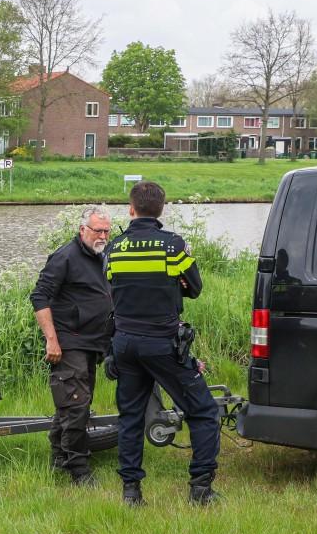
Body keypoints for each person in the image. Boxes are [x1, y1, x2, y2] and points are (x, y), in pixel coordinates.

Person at [106, 181, 221, 506]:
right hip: (162, 343)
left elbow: (113, 285)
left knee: (130, 416)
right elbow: (194, 288)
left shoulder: (115, 247)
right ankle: (201, 490)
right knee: (203, 411)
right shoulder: (172, 246)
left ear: (131, 209)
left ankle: (131, 493)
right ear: (161, 209)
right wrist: (171, 285)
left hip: (125, 344)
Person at [29, 206, 115, 485]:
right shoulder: (65, 256)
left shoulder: (105, 255)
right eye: (97, 230)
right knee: (77, 405)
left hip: (94, 342)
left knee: (72, 403)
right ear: (82, 230)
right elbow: (39, 296)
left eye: (106, 230)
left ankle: (58, 457)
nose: (102, 236)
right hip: (69, 341)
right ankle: (79, 469)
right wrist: (51, 340)